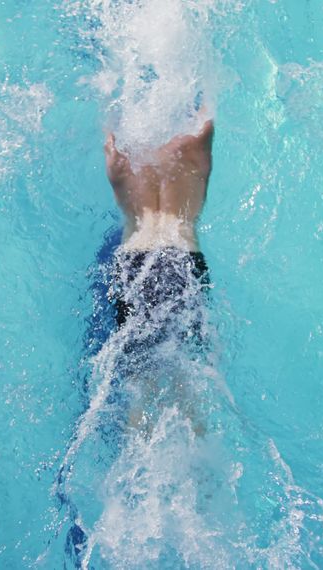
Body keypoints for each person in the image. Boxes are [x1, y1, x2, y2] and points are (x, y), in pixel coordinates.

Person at [102, 117, 215, 434]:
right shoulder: (197, 139)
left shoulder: (118, 153)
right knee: (189, 387)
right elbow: (211, 94)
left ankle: (133, 476)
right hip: (181, 259)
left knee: (140, 387)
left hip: (133, 264)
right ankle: (203, 478)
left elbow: (107, 109)